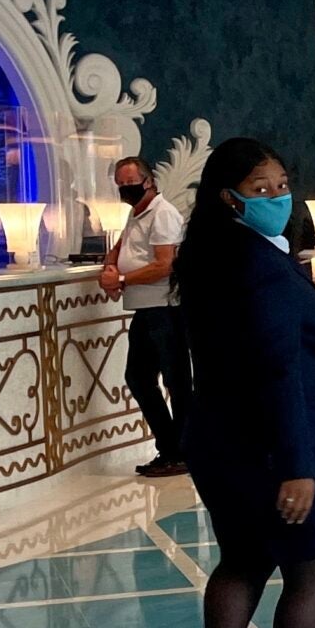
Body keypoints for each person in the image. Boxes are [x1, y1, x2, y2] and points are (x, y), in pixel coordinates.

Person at [175, 137, 315, 628]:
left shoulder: (207, 256)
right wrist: (298, 467)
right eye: (262, 189)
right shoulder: (262, 267)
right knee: (313, 569)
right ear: (230, 198)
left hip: (219, 440)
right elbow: (280, 370)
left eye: (282, 185)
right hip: (282, 440)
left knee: (243, 558)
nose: (278, 197)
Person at [98, 156, 189, 478]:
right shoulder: (137, 213)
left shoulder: (162, 214)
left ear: (148, 181)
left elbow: (165, 264)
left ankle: (182, 451)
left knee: (176, 382)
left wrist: (122, 279)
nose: (126, 188)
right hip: (146, 308)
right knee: (139, 378)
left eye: (130, 182)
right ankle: (171, 447)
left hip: (165, 308)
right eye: (120, 184)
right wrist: (110, 270)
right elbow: (121, 247)